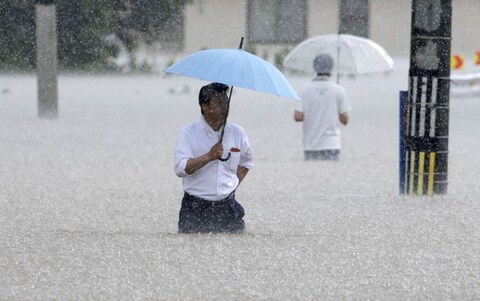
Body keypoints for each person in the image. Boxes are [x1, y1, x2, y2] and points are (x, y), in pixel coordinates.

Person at [174, 82, 253, 233]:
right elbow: (180, 168)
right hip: (195, 208)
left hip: (227, 207)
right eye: (219, 102)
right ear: (205, 106)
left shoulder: (237, 132)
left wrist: (231, 185)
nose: (225, 107)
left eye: (226, 102)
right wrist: (208, 157)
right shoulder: (188, 133)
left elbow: (246, 162)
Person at [294, 53, 351, 161]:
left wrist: (313, 112)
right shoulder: (339, 90)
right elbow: (345, 120)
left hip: (310, 145)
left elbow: (297, 117)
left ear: (314, 68)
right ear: (331, 69)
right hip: (332, 145)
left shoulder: (304, 90)